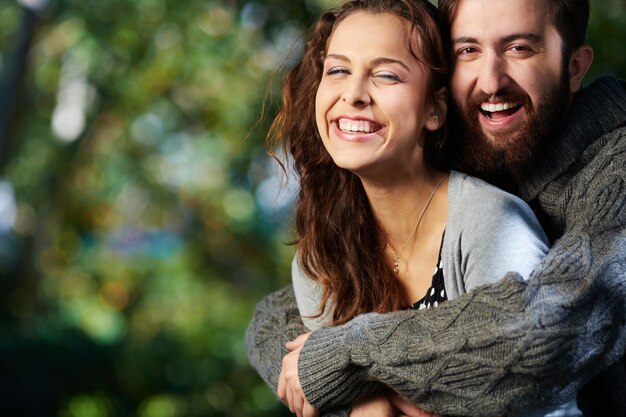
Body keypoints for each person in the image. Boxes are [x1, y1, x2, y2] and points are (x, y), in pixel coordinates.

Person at [246, 0, 626, 416]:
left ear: (574, 67)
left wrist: (350, 353)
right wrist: (357, 396)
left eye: (519, 48)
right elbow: (277, 313)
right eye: (468, 50)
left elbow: (548, 336)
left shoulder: (611, 173)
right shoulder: (477, 144)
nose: (490, 81)